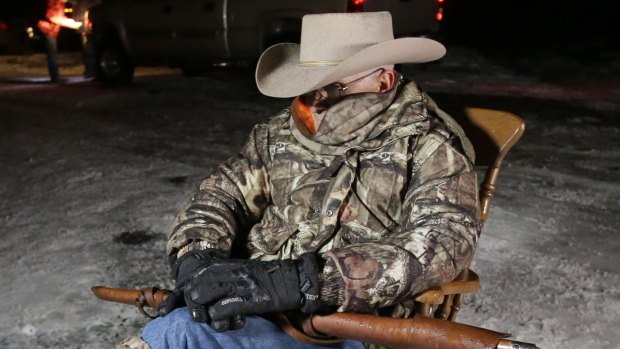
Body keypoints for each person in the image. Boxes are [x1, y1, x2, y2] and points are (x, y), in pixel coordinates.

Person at [117, 11, 480, 349]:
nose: (314, 103)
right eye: (307, 87)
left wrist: (301, 281)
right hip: (253, 308)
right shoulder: (279, 135)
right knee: (179, 330)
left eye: (331, 88)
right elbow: (221, 196)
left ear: (383, 80)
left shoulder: (430, 147)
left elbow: (442, 242)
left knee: (176, 335)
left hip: (346, 327)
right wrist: (197, 259)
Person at [37, 0, 82, 82]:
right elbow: (55, 18)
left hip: (51, 30)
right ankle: (55, 78)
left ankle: (55, 77)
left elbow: (60, 17)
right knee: (52, 53)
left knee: (52, 53)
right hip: (48, 29)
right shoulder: (55, 3)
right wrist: (77, 25)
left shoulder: (60, 4)